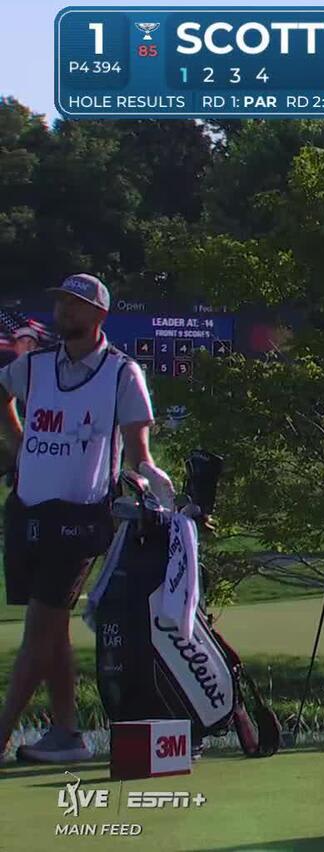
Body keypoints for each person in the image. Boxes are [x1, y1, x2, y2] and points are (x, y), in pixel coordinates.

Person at [0, 275, 161, 763]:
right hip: (29, 509)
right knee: (51, 627)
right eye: (61, 303)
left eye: (75, 305)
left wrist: (155, 482)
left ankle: (3, 733)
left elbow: (138, 453)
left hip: (81, 516)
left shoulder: (121, 372)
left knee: (40, 629)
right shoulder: (35, 365)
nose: (64, 311)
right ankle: (67, 735)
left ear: (98, 316)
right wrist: (16, 445)